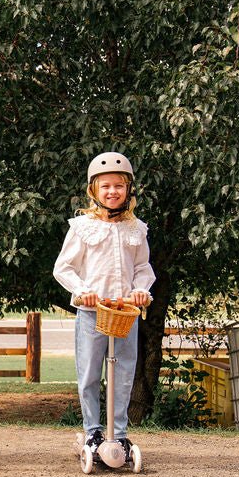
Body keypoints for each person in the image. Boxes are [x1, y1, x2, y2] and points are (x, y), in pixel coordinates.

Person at [53, 151, 155, 459]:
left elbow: (143, 267)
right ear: (94, 191)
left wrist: (140, 290)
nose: (112, 192)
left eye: (119, 186)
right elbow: (64, 267)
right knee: (89, 373)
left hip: (124, 312)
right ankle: (93, 431)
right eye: (106, 186)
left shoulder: (136, 229)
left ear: (128, 190)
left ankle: (119, 433)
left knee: (123, 371)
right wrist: (82, 290)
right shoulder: (83, 227)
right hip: (91, 312)